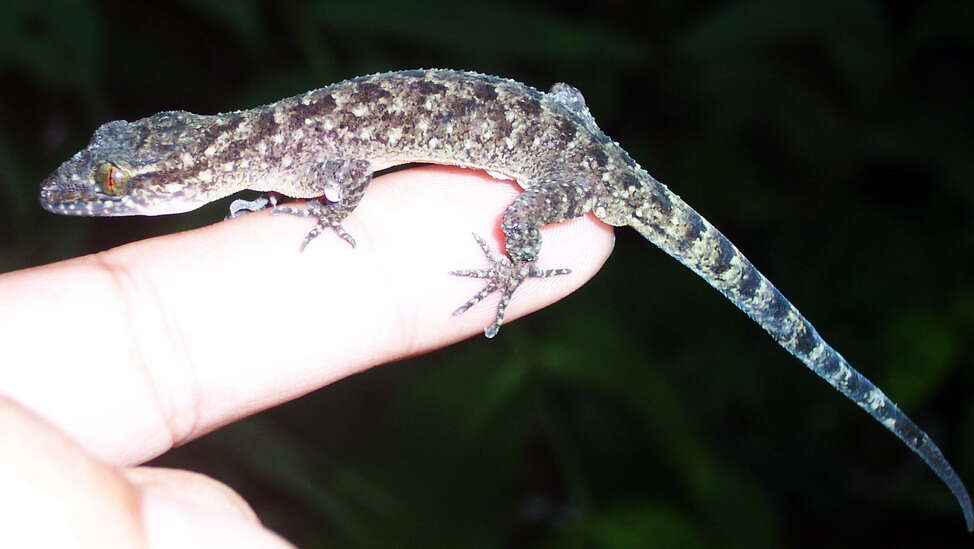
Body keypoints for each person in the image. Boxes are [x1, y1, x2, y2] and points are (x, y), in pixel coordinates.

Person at [0, 166, 613, 547]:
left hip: (572, 167)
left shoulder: (289, 152)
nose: (88, 190)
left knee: (519, 220)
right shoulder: (278, 150)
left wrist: (327, 208)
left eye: (111, 184)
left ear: (185, 176)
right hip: (555, 133)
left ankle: (518, 269)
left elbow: (345, 181)